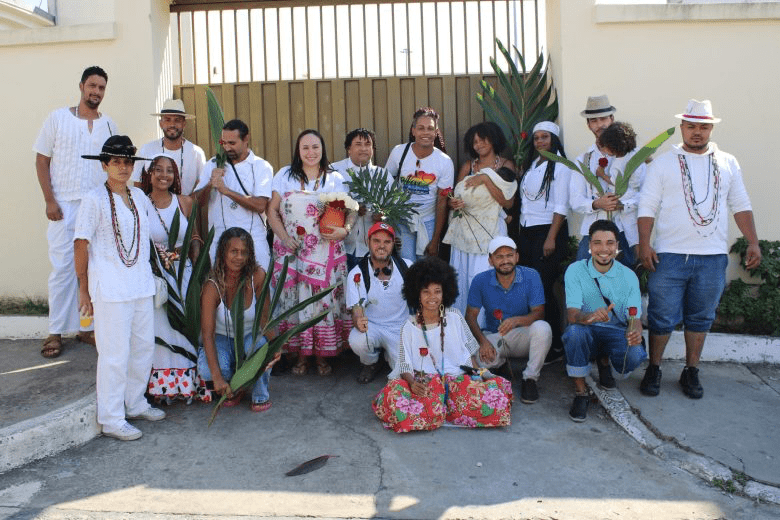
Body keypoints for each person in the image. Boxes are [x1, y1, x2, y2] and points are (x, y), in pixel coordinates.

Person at [637, 99, 761, 400]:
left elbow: (741, 205)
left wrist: (753, 241)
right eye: (691, 126)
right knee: (662, 316)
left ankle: (691, 371)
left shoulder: (728, 162)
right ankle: (654, 368)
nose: (697, 132)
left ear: (711, 129)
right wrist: (644, 244)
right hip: (670, 255)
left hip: (712, 258)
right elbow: (647, 206)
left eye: (703, 127)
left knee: (700, 318)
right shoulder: (664, 163)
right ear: (682, 127)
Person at [74, 135, 165, 441]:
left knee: (143, 348)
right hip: (110, 287)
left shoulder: (139, 197)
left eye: (128, 162)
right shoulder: (93, 199)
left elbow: (145, 238)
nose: (123, 168)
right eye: (117, 162)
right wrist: (83, 290)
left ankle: (136, 403)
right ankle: (112, 418)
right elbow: (81, 243)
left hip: (140, 284)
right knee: (114, 355)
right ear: (104, 165)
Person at [372, 256, 512, 433]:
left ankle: (449, 407)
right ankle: (441, 409)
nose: (432, 297)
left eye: (437, 291)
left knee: (495, 401)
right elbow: (404, 363)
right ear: (416, 294)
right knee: (399, 403)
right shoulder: (409, 326)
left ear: (445, 292)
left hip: (457, 379)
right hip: (424, 381)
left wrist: (481, 374)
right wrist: (412, 383)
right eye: (426, 292)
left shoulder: (455, 317)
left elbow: (469, 353)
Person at [34, 66, 118, 357]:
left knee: (92, 269)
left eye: (102, 88)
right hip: (64, 206)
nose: (96, 92)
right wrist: (49, 200)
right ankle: (55, 331)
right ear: (82, 85)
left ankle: (86, 327)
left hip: (96, 206)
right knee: (62, 269)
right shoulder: (58, 118)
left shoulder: (109, 125)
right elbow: (42, 161)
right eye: (92, 85)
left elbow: (114, 168)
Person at [266, 129, 355, 376]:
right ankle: (301, 357)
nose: (310, 152)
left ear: (322, 149)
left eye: (315, 147)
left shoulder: (335, 177)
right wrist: (284, 238)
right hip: (292, 252)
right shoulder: (284, 175)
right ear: (298, 150)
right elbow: (271, 211)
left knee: (321, 303)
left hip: (326, 253)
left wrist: (344, 231)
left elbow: (352, 210)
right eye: (305, 147)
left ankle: (321, 357)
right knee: (295, 303)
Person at [562, 220, 647, 422]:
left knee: (635, 353)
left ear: (617, 246)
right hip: (586, 330)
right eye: (597, 243)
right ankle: (581, 392)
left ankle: (604, 360)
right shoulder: (575, 270)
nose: (604, 249)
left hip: (615, 331)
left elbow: (634, 316)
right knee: (574, 333)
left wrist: (635, 331)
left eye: (609, 243)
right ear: (590, 246)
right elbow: (572, 315)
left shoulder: (628, 276)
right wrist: (588, 316)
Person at [140, 153, 203, 403]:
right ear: (149, 175)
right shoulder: (141, 203)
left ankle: (186, 385)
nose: (164, 175)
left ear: (175, 176)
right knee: (162, 329)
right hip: (156, 276)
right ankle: (161, 388)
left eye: (169, 170)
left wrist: (196, 270)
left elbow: (195, 237)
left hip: (183, 272)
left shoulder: (185, 202)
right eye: (158, 170)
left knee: (184, 327)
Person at [466, 236, 552, 404]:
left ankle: (530, 379)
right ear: (490, 260)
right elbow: (470, 316)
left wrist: (516, 320)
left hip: (521, 335)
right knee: (475, 364)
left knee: (543, 328)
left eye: (509, 255)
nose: (505, 260)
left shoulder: (531, 275)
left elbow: (539, 313)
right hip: (494, 337)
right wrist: (483, 342)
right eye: (499, 257)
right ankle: (499, 365)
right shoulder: (480, 280)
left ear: (517, 257)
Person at [198, 227, 275, 411]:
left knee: (260, 351)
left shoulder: (257, 276)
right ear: (223, 253)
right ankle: (234, 386)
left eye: (244, 252)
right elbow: (207, 335)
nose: (239, 257)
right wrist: (216, 377)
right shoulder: (212, 286)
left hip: (249, 335)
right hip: (221, 338)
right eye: (234, 251)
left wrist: (275, 346)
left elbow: (265, 318)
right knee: (208, 370)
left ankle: (260, 394)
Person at [444, 121, 517, 316]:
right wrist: (453, 203)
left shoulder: (505, 165)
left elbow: (508, 203)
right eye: (475, 142)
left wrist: (486, 178)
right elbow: (455, 195)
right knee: (463, 277)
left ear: (493, 140)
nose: (479, 145)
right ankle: (463, 326)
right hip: (464, 233)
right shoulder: (468, 166)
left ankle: (488, 325)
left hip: (490, 231)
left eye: (483, 140)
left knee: (484, 276)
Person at [518, 121, 570, 361]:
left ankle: (555, 346)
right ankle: (541, 341)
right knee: (532, 289)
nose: (540, 142)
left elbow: (561, 205)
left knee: (544, 289)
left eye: (545, 137)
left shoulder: (560, 166)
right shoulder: (533, 164)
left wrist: (551, 238)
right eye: (536, 138)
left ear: (554, 140)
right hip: (528, 232)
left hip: (549, 233)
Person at [569, 96, 643, 267]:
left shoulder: (635, 157)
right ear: (588, 125)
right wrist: (596, 204)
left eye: (603, 119)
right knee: (586, 284)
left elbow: (647, 195)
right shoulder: (583, 161)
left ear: (612, 119)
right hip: (591, 232)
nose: (599, 125)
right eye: (593, 120)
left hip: (625, 232)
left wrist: (623, 204)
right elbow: (575, 200)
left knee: (624, 286)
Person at [194, 119, 273, 268]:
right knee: (223, 288)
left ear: (246, 139)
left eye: (232, 143)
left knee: (258, 288)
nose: (227, 148)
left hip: (253, 240)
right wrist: (210, 184)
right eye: (223, 143)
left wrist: (227, 191)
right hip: (219, 240)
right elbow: (196, 202)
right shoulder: (212, 164)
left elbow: (260, 205)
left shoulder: (261, 166)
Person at [384, 107, 454, 261]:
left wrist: (436, 239)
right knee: (406, 263)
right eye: (421, 128)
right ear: (413, 131)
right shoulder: (399, 152)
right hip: (402, 220)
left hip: (428, 221)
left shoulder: (444, 162)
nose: (425, 133)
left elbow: (442, 201)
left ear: (436, 132)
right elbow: (385, 184)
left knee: (425, 267)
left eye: (430, 128)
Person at [346, 222, 412, 383]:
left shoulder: (407, 267)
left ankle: (389, 356)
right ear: (368, 242)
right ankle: (371, 363)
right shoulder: (357, 273)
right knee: (358, 340)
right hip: (372, 326)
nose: (381, 246)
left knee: (404, 376)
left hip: (400, 328)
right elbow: (356, 309)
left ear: (393, 244)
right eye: (377, 241)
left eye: (387, 242)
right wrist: (358, 320)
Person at [331, 128, 388, 271]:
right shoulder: (334, 171)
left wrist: (383, 216)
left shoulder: (383, 175)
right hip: (341, 246)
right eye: (358, 144)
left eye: (367, 144)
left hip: (373, 248)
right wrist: (351, 209)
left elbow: (393, 207)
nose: (363, 149)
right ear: (348, 149)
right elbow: (324, 204)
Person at [131, 99, 206, 196]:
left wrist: (188, 205)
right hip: (153, 208)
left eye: (177, 120)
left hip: (186, 209)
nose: (172, 124)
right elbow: (137, 184)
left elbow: (202, 185)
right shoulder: (147, 149)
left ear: (184, 124)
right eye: (167, 120)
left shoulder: (196, 153)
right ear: (160, 123)